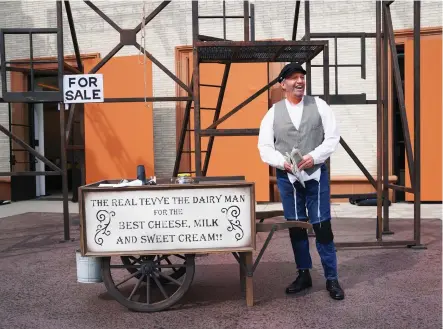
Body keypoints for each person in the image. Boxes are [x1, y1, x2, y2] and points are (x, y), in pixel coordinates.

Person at [257, 62, 344, 300]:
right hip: (288, 179)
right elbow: (264, 147)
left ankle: (331, 278)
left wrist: (313, 156)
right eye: (293, 78)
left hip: (315, 176)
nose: (299, 81)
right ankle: (303, 273)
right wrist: (281, 162)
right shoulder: (273, 112)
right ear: (283, 84)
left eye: (302, 77)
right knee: (296, 227)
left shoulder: (320, 105)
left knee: (322, 227)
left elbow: (333, 138)